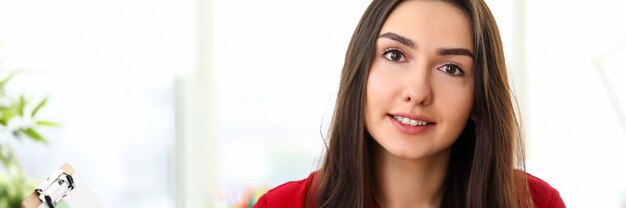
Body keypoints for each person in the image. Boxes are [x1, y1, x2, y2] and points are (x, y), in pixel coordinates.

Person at [254, 0, 565, 207]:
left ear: (479, 98)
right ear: (360, 70)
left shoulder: (534, 202)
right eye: (395, 55)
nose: (417, 92)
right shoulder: (283, 204)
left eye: (451, 68)